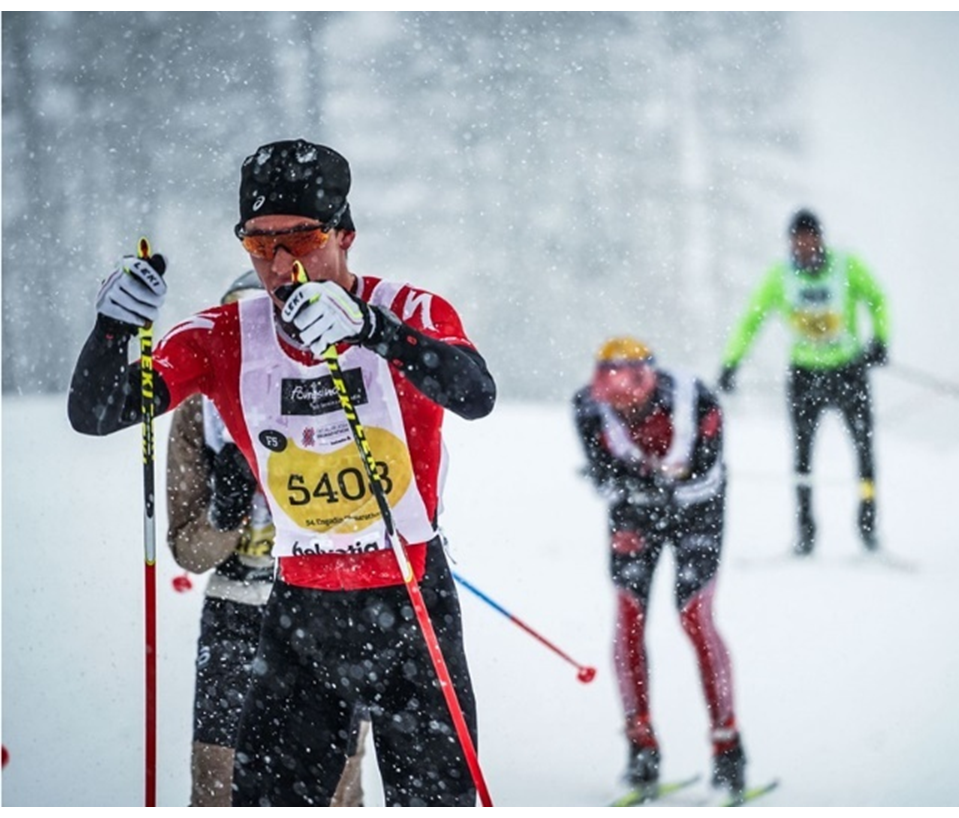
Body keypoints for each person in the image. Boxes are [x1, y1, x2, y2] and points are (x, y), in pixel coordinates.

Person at [69, 138, 497, 805]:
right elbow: (97, 413)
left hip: (410, 601)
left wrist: (370, 330)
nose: (278, 261)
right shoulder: (224, 334)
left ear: (345, 234)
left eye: (301, 237)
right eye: (258, 242)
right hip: (302, 613)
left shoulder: (412, 310)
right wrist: (110, 328)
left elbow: (476, 393)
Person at [169, 271, 371, 806]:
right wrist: (226, 510)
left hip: (325, 609)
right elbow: (187, 549)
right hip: (237, 609)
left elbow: (371, 513)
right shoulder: (201, 411)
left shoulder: (333, 391)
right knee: (218, 783)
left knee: (336, 788)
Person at [571, 338, 748, 799]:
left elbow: (707, 476)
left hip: (698, 513)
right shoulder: (588, 407)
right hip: (635, 516)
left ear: (649, 384)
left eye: (633, 403)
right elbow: (604, 476)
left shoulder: (697, 400)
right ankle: (641, 749)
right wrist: (633, 491)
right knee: (629, 618)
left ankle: (728, 748)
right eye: (617, 404)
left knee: (694, 617)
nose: (626, 412)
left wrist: (657, 486)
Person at [717, 209, 891, 554]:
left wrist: (880, 340)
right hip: (805, 375)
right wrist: (731, 363)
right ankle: (805, 532)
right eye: (798, 241)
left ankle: (868, 527)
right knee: (802, 459)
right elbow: (752, 320)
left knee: (864, 453)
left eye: (810, 239)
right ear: (791, 243)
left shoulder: (847, 266)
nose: (805, 247)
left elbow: (877, 299)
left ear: (820, 239)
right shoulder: (779, 278)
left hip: (848, 372)